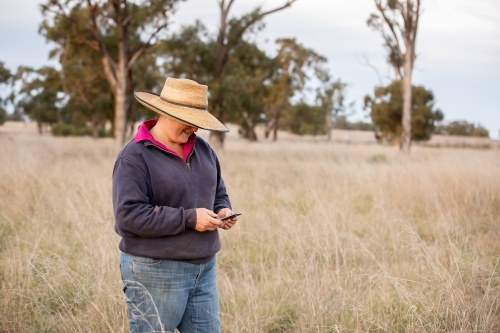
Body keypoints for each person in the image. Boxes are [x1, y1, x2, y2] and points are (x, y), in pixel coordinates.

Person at [112, 77, 238, 333]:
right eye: (190, 122)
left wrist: (223, 209)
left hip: (204, 268)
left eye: (198, 124)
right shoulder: (134, 157)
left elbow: (219, 191)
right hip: (154, 270)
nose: (196, 129)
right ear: (166, 113)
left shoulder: (204, 149)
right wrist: (190, 218)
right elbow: (129, 216)